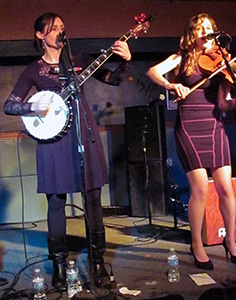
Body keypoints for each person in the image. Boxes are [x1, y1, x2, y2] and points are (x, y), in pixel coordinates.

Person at [3, 12, 131, 289]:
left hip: (83, 131)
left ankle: (98, 263)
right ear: (40, 35)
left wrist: (125, 60)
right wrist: (32, 107)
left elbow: (114, 79)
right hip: (53, 141)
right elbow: (10, 105)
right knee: (56, 201)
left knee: (93, 197)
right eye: (53, 29)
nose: (61, 32)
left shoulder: (78, 60)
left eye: (63, 27)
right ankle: (59, 267)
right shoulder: (34, 70)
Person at [146, 13, 236, 270]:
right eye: (202, 28)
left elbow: (224, 104)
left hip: (214, 124)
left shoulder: (221, 63)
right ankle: (197, 245)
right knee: (200, 187)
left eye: (210, 28)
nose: (207, 32)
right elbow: (153, 71)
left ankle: (231, 241)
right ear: (193, 33)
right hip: (189, 125)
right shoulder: (181, 58)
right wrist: (171, 85)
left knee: (225, 186)